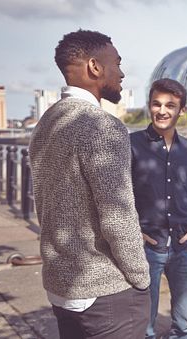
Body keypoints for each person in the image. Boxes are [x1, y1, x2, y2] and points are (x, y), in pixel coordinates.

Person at [29, 29, 151, 338]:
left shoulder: (47, 122)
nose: (122, 73)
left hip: (62, 287)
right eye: (117, 63)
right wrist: (141, 278)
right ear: (95, 67)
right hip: (105, 293)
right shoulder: (102, 126)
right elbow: (117, 216)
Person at [130, 78, 187, 339]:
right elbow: (116, 197)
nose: (162, 110)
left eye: (170, 105)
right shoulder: (130, 145)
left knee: (186, 325)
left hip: (184, 247)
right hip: (146, 247)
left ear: (182, 110)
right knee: (145, 327)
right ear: (149, 106)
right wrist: (134, 231)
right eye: (156, 104)